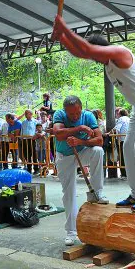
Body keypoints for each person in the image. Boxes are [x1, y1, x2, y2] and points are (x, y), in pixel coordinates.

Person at [52, 17, 135, 211]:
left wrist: (64, 27)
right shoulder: (108, 66)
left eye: (95, 54)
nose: (93, 59)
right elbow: (82, 52)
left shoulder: (120, 52)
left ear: (101, 48)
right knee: (128, 149)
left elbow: (86, 50)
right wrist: (62, 39)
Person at [53, 96, 108, 246]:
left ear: (81, 108)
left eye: (77, 113)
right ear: (65, 111)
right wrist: (80, 128)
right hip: (64, 156)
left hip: (82, 151)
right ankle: (71, 231)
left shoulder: (88, 116)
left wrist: (80, 141)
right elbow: (58, 133)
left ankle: (97, 192)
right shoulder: (58, 114)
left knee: (97, 151)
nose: (75, 116)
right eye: (71, 115)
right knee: (69, 193)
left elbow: (99, 140)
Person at [111, 109, 130, 179]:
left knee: (122, 157)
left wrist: (109, 133)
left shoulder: (121, 119)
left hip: (122, 140)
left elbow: (117, 128)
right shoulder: (129, 119)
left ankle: (124, 174)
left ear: (119, 114)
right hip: (129, 140)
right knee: (128, 157)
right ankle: (129, 173)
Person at [21, 109, 39, 174]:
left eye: (27, 113)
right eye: (25, 113)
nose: (25, 115)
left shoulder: (35, 121)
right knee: (27, 155)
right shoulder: (23, 122)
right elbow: (22, 131)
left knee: (34, 155)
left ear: (31, 114)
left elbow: (38, 130)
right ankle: (29, 169)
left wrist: (36, 136)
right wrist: (21, 138)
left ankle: (36, 169)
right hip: (25, 139)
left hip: (33, 139)